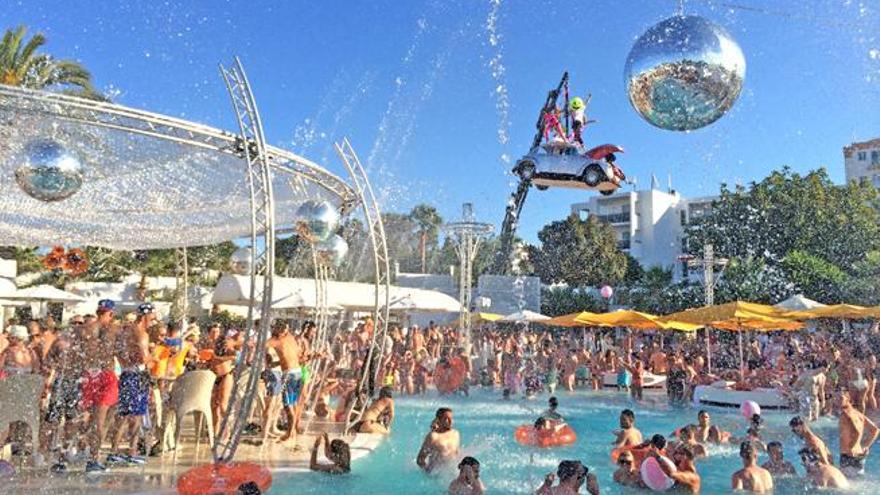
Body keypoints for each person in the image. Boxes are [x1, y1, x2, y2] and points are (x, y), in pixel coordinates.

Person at [110, 302, 154, 462]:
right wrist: (152, 355)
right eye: (152, 318)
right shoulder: (142, 334)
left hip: (126, 374)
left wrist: (125, 363)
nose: (152, 321)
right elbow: (143, 358)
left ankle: (114, 452)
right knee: (136, 415)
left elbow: (117, 351)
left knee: (123, 415)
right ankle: (132, 452)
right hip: (137, 375)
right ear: (146, 316)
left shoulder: (125, 331)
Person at [265, 321, 302, 446]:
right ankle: (293, 431)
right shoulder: (290, 338)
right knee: (293, 403)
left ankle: (289, 433)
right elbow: (289, 357)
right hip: (298, 372)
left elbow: (261, 345)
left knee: (287, 406)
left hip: (289, 374)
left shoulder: (276, 341)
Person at [838, 388, 879, 476]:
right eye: (836, 398)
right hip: (860, 455)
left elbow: (856, 432)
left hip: (848, 456)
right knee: (857, 481)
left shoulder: (845, 414)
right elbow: (875, 430)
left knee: (846, 487)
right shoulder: (858, 414)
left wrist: (851, 447)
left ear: (848, 399)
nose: (837, 401)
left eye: (840, 398)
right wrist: (866, 445)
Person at [416, 407, 460, 473]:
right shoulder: (433, 436)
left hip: (449, 473)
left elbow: (456, 454)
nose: (450, 421)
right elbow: (420, 460)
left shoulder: (455, 434)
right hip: (435, 474)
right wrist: (428, 473)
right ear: (438, 420)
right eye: (446, 419)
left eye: (451, 418)